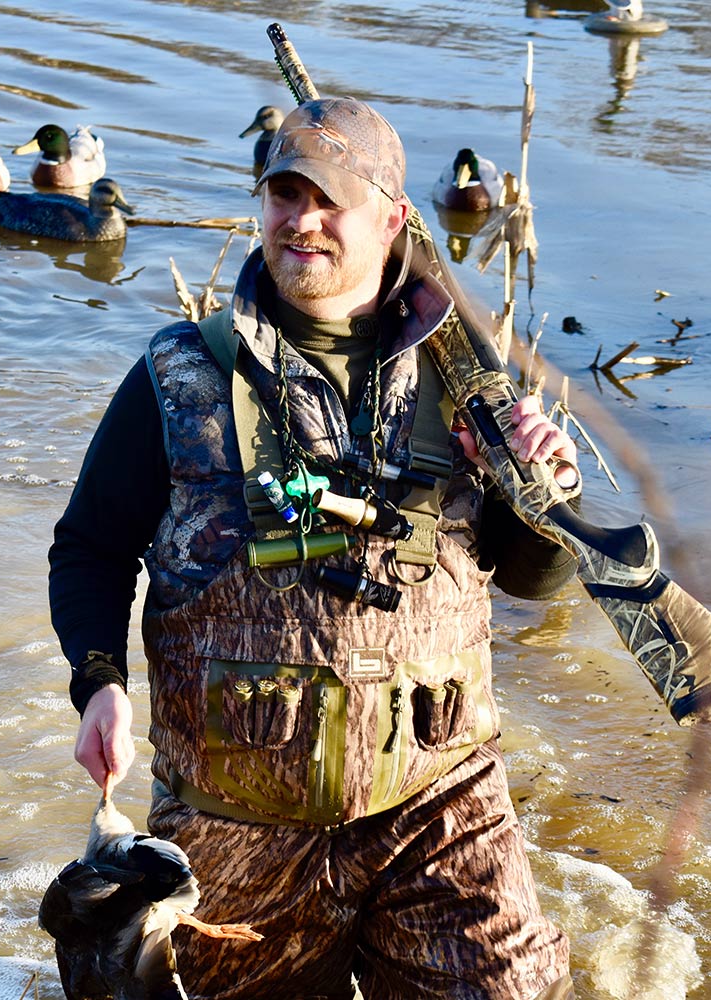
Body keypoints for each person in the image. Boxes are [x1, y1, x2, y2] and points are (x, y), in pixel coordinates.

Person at [49, 97, 578, 1000]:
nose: (303, 222)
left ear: (394, 217)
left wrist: (551, 494)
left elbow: (536, 579)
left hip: (438, 804)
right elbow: (90, 549)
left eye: (330, 201)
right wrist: (100, 683)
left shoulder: (470, 383)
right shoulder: (178, 374)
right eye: (284, 196)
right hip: (237, 820)